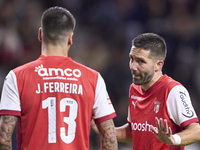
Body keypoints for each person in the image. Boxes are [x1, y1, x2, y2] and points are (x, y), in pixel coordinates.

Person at [0, 6, 117, 150]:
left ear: (40, 35)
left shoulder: (17, 77)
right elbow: (110, 137)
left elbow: (4, 138)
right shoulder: (93, 78)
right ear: (70, 38)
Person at [91, 33, 200, 149]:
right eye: (131, 59)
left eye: (141, 62)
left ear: (158, 65)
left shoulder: (173, 90)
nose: (133, 66)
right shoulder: (134, 88)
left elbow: (196, 131)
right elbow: (134, 131)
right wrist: (107, 131)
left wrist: (173, 139)